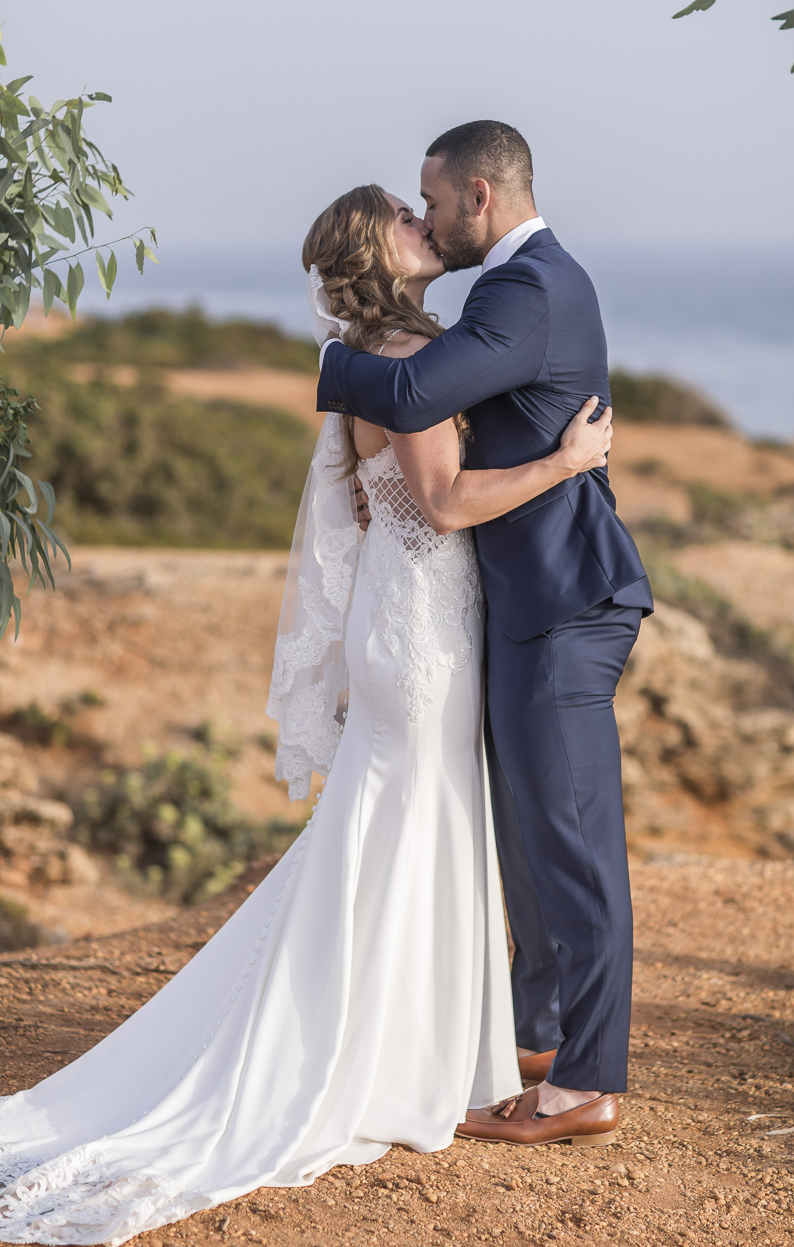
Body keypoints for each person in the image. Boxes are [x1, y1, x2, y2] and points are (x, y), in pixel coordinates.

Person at [0, 183, 613, 1247]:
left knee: (403, 828)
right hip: (421, 626)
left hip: (416, 614)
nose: (425, 222)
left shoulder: (388, 344)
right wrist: (564, 462)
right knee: (408, 824)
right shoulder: (392, 348)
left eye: (428, 208)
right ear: (374, 250)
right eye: (404, 215)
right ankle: (381, 1052)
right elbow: (445, 503)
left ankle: (419, 1036)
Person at [318, 121, 654, 1146]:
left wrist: (334, 362)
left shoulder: (522, 289)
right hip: (517, 602)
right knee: (528, 832)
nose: (427, 219)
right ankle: (538, 1033)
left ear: (480, 195)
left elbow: (417, 393)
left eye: (433, 201)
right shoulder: (516, 286)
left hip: (560, 598)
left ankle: (582, 1085)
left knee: (569, 842)